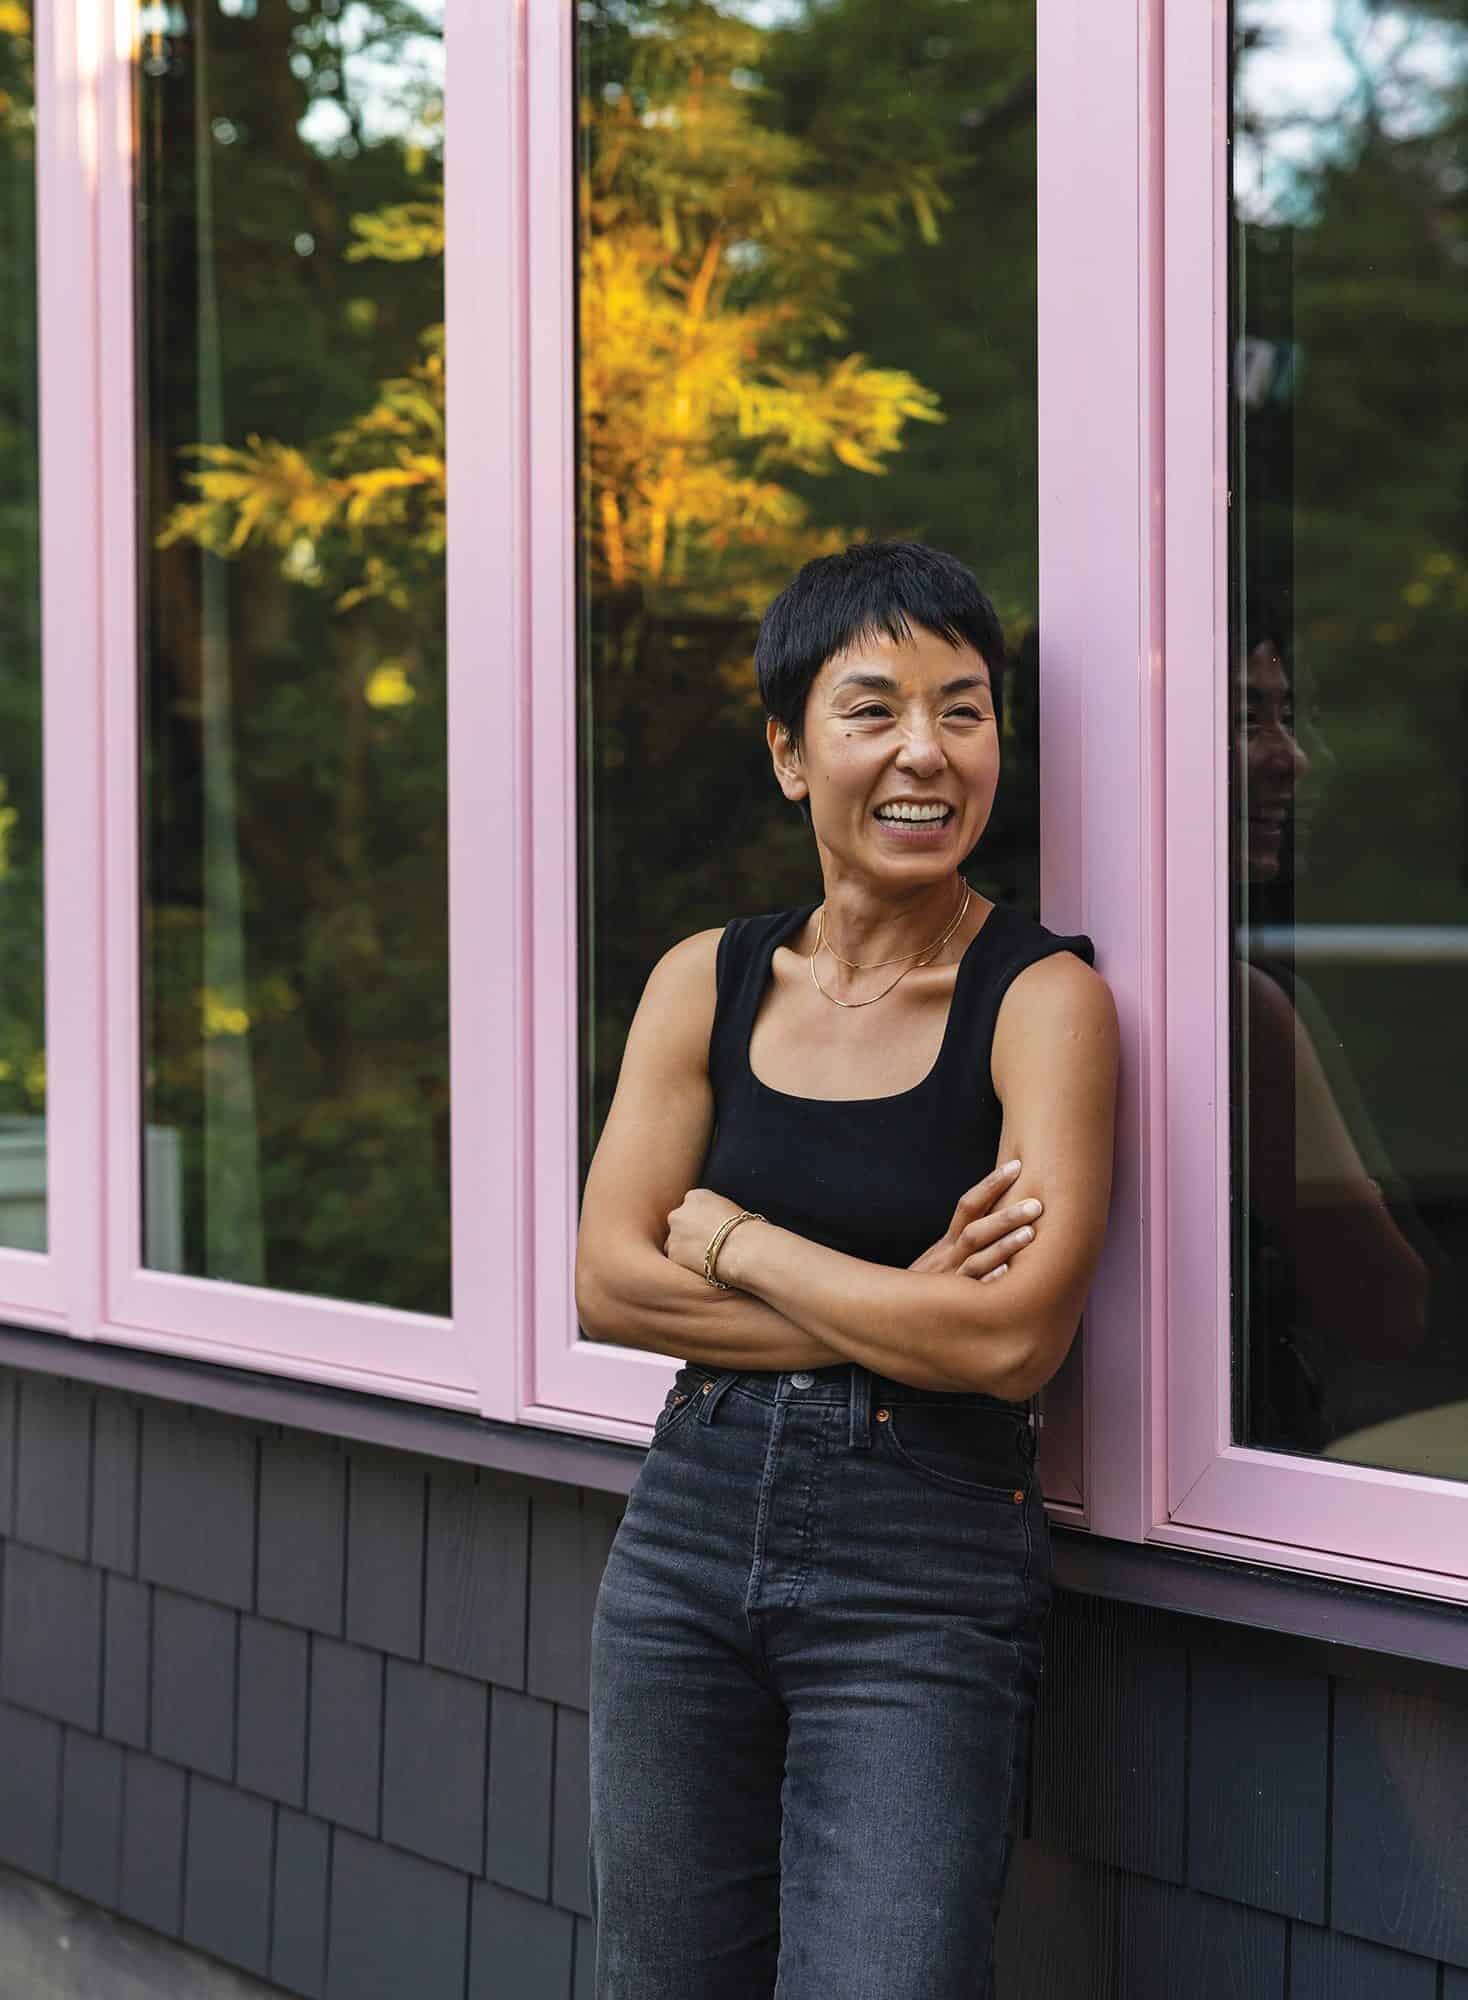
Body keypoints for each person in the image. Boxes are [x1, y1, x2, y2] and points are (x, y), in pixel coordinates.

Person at [574, 539, 1120, 2000]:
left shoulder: (1044, 1001)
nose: (926, 754)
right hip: (683, 1534)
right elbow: (610, 1285)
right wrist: (903, 1307)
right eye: (872, 710)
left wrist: (738, 1242)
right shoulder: (709, 976)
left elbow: (1007, 1346)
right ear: (788, 755)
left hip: (925, 1562)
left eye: (965, 707)